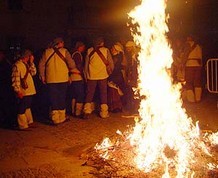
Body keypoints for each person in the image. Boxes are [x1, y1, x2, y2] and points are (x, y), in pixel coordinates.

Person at [38, 37, 76, 125]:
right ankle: (61, 117)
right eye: (62, 42)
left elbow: (41, 64)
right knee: (61, 97)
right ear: (59, 43)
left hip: (51, 78)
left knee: (53, 98)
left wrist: (43, 76)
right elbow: (71, 64)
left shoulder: (47, 52)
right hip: (62, 78)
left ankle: (55, 118)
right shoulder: (65, 51)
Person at [83, 36, 114, 119]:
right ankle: (104, 112)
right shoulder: (106, 50)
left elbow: (86, 64)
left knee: (89, 93)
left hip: (91, 75)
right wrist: (110, 71)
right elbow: (111, 63)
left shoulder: (89, 50)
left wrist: (86, 74)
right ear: (102, 43)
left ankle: (87, 110)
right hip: (103, 75)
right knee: (103, 93)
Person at [11, 49, 37, 130]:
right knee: (22, 107)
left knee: (27, 106)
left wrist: (32, 62)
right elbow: (15, 79)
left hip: (29, 90)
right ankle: (22, 125)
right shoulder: (17, 65)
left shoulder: (26, 64)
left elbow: (33, 73)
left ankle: (29, 121)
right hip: (23, 90)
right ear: (27, 56)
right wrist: (18, 90)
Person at [182, 34, 203, 103]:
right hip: (198, 66)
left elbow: (184, 56)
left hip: (189, 65)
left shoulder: (187, 45)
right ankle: (198, 99)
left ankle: (191, 99)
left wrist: (182, 64)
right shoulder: (198, 46)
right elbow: (200, 57)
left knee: (189, 82)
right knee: (197, 82)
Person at [68, 41, 86, 118]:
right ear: (80, 47)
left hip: (73, 77)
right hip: (77, 76)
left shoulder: (73, 54)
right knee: (80, 94)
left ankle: (73, 110)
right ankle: (77, 112)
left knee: (74, 94)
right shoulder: (77, 54)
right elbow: (78, 65)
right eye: (83, 47)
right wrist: (83, 74)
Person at [107, 44, 126, 112]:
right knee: (114, 91)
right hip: (117, 75)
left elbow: (114, 67)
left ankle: (116, 107)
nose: (111, 50)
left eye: (113, 49)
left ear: (116, 50)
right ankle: (116, 107)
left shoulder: (116, 57)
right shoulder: (118, 56)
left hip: (116, 76)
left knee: (114, 91)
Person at [124, 40, 139, 114]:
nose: (127, 50)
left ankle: (136, 109)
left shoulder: (137, 55)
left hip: (136, 77)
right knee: (131, 92)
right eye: (127, 48)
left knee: (135, 93)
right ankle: (132, 108)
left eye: (128, 48)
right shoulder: (131, 55)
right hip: (132, 77)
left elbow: (136, 67)